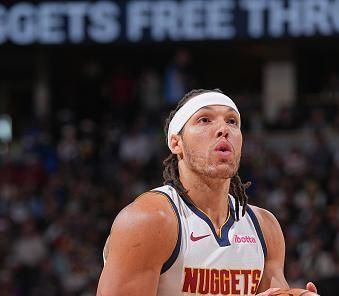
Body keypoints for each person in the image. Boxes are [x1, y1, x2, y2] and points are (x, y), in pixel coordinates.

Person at [97, 89, 318, 296]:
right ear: (176, 143)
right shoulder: (149, 220)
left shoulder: (264, 227)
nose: (224, 130)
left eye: (232, 121)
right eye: (205, 120)